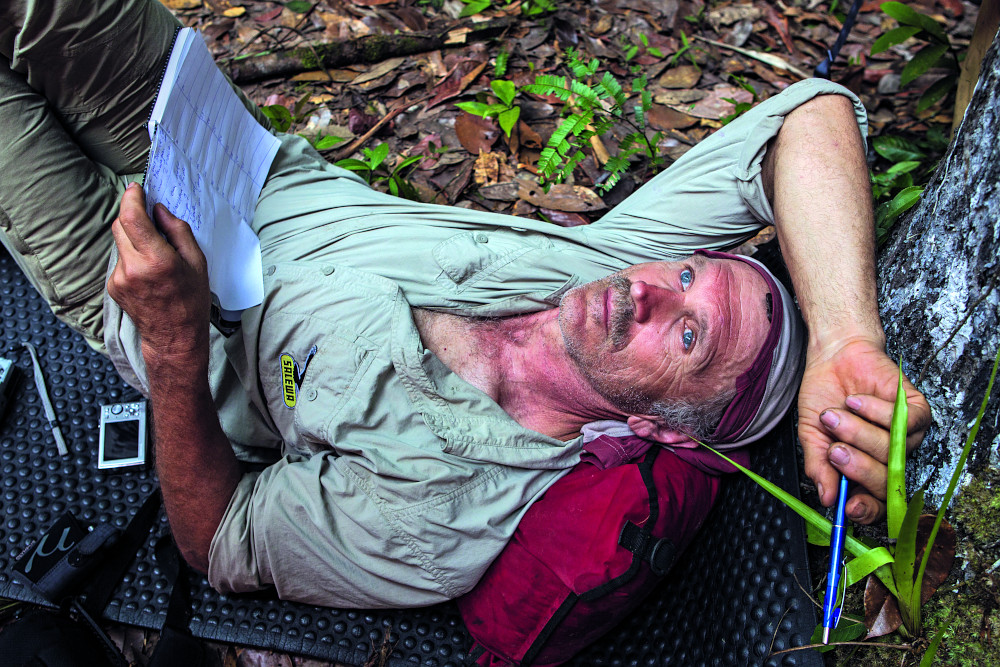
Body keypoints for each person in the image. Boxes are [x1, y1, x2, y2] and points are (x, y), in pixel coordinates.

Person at [0, 0, 930, 608]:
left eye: (686, 334)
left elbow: (219, 539)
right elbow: (812, 113)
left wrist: (168, 346)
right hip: (219, 150)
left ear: (670, 432)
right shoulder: (613, 267)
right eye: (686, 275)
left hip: (139, 292)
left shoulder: (441, 517)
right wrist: (846, 337)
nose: (649, 290)